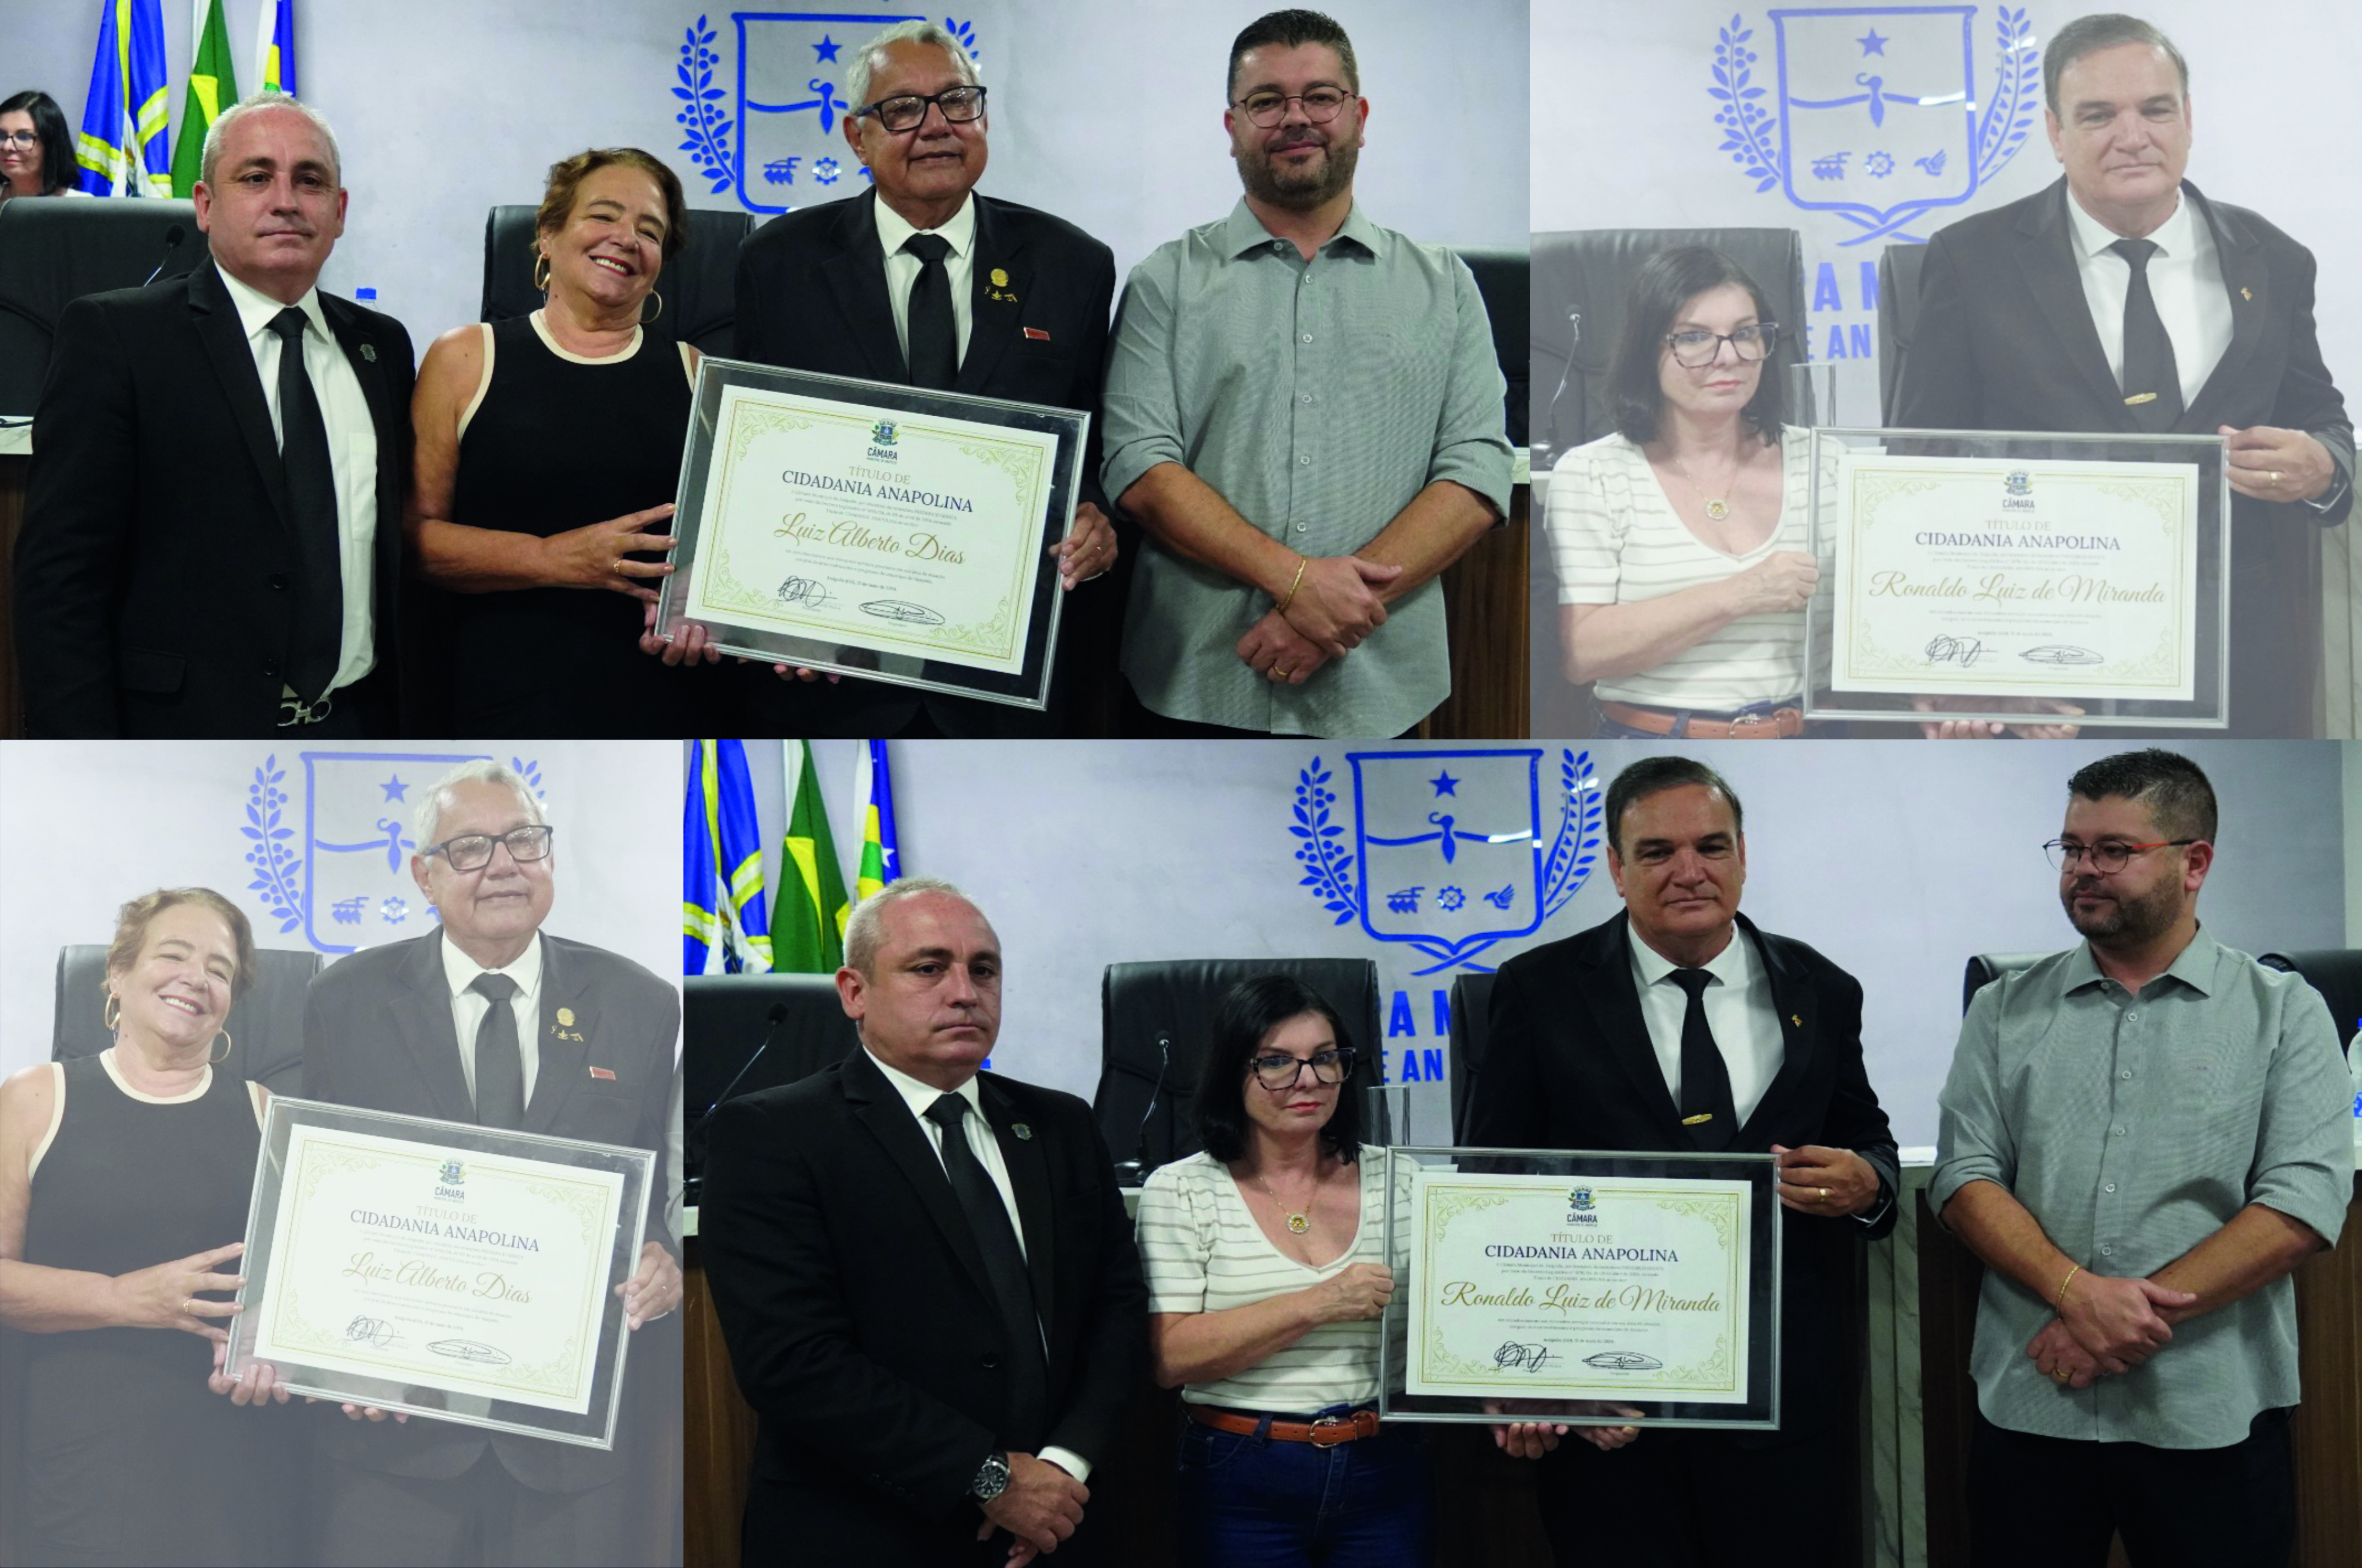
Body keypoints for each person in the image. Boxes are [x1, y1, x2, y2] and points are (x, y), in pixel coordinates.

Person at [1462, 754, 1900, 1566]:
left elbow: (1866, 1136)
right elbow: (1493, 1185)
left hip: (1773, 1397)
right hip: (1604, 1399)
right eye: (1658, 852)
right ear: (1615, 869)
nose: (1689, 872)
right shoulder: (1539, 989)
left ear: (1743, 855)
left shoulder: (1822, 989)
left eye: (1712, 846)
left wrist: (1868, 1181)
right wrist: (1524, 1368)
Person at [1931, 749, 2350, 1568]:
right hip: (2032, 1406)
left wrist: (2113, 1325)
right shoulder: (2002, 1008)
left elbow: (2301, 1201)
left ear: (2194, 863)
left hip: (2209, 1411)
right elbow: (1963, 1176)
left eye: (2113, 850)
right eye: (2070, 848)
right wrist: (2075, 1295)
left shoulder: (2285, 1012)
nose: (2082, 871)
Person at [1894, 14, 2354, 738]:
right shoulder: (1969, 262)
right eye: (2098, 115)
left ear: (2189, 118)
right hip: (2046, 674)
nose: (2131, 136)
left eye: (2154, 109)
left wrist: (2324, 466)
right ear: (2054, 131)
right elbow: (1918, 471)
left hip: (2239, 667)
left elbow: (2322, 416)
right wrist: (1952, 659)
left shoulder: (2275, 258)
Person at [296, 760, 684, 1566]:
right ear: (424, 876)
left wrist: (665, 1256)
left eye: (524, 841)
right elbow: (318, 1193)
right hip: (393, 1431)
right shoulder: (348, 999)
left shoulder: (641, 1001)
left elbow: (657, 1178)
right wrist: (337, 1355)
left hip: (568, 1443)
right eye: (471, 847)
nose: (505, 864)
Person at [700, 876, 1147, 1566]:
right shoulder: (770, 1133)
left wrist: (1061, 1466)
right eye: (929, 968)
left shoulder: (1060, 1123)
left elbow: (1115, 1308)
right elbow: (793, 1361)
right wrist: (990, 1477)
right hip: (864, 1533)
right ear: (853, 991)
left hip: (1057, 1527)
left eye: (984, 969)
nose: (965, 991)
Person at [1101, 8, 1512, 738]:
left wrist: (1332, 613)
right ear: (1231, 125)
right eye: (1266, 101)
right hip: (1194, 677)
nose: (1297, 118)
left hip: (1377, 687)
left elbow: (1477, 464)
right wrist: (1297, 583)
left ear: (1358, 115)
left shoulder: (1444, 285)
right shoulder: (1164, 281)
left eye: (1320, 97)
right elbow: (1139, 465)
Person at [732, 20, 1121, 737]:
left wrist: (1097, 517)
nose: (937, 127)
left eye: (957, 103)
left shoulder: (1073, 265)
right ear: (856, 137)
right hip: (832, 667)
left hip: (999, 674)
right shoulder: (775, 263)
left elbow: (1092, 437)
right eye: (904, 110)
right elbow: (752, 455)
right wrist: (763, 607)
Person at [12, 91, 414, 737]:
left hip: (356, 730)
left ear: (338, 213)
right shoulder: (118, 336)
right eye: (256, 177)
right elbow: (61, 582)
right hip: (176, 741)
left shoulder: (381, 346)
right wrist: (79, 761)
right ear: (204, 205)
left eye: (309, 181)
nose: (285, 199)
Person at [0, 889, 296, 1567]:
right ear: (117, 972)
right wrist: (124, 1298)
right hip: (81, 1457)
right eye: (173, 954)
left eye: (219, 970)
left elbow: (294, 1294)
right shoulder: (35, 1097)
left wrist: (281, 1355)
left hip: (234, 1454)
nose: (196, 976)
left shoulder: (268, 1113)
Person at [406, 147, 740, 737]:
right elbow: (417, 542)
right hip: (504, 693)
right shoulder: (462, 358)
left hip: (664, 692)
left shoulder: (700, 375)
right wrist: (556, 558)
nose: (626, 238)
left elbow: (725, 551)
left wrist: (702, 605)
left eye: (650, 230)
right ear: (547, 233)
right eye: (603, 215)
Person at [1136, 975, 1427, 1567]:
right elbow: (1171, 1357)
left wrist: (1520, 1394)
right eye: (1276, 1062)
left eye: (1326, 1059)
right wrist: (1319, 1302)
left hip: (1384, 1464)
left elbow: (1455, 1323)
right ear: (1231, 1072)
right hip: (1241, 1472)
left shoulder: (1402, 1178)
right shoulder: (1181, 1189)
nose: (1308, 1081)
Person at [0, 90, 82, 203]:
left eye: (23, 137)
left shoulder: (82, 207)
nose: (7, 147)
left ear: (51, 145)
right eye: (1, 136)